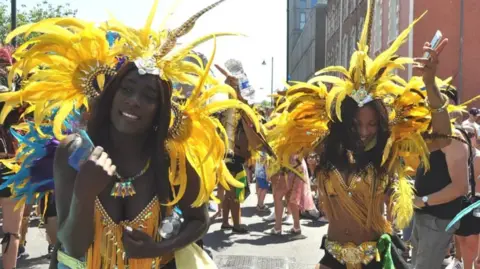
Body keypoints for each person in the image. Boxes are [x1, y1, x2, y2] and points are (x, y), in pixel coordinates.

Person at [0, 1, 261, 268]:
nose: (134, 101)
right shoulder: (74, 151)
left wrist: (160, 247)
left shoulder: (173, 158)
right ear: (111, 95)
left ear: (160, 111)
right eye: (126, 90)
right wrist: (85, 192)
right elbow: (71, 244)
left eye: (148, 96)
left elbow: (199, 219)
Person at [266, 1, 462, 267]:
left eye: (371, 125)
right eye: (356, 124)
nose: (364, 131)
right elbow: (273, 143)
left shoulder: (387, 150)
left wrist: (429, 83)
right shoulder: (326, 147)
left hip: (375, 258)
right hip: (333, 256)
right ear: (343, 122)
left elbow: (443, 137)